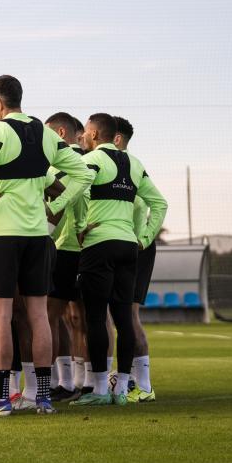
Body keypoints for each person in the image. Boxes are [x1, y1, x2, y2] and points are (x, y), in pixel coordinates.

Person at [0, 75, 93, 416]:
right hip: (38, 236)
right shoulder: (45, 134)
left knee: (0, 318)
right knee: (39, 316)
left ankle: (2, 399)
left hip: (1, 235)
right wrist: (57, 206)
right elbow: (83, 174)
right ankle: (43, 397)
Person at [70, 113, 167, 407]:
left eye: (85, 132)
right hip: (129, 247)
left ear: (96, 134)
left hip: (99, 245)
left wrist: (79, 227)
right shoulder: (135, 165)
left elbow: (75, 192)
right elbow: (160, 203)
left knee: (96, 318)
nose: (81, 137)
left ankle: (100, 390)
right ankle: (122, 389)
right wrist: (145, 238)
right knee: (125, 319)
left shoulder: (92, 161)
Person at [114, 115, 159, 402]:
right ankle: (128, 380)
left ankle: (144, 386)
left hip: (136, 248)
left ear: (116, 139)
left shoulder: (133, 168)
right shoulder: (114, 168)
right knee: (117, 316)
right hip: (120, 246)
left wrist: (145, 238)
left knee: (129, 316)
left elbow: (157, 203)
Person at [44, 113, 87, 402]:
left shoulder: (57, 165)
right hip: (88, 247)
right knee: (85, 319)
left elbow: (56, 207)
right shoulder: (91, 162)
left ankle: (62, 382)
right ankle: (87, 382)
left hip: (63, 248)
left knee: (50, 317)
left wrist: (44, 232)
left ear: (60, 132)